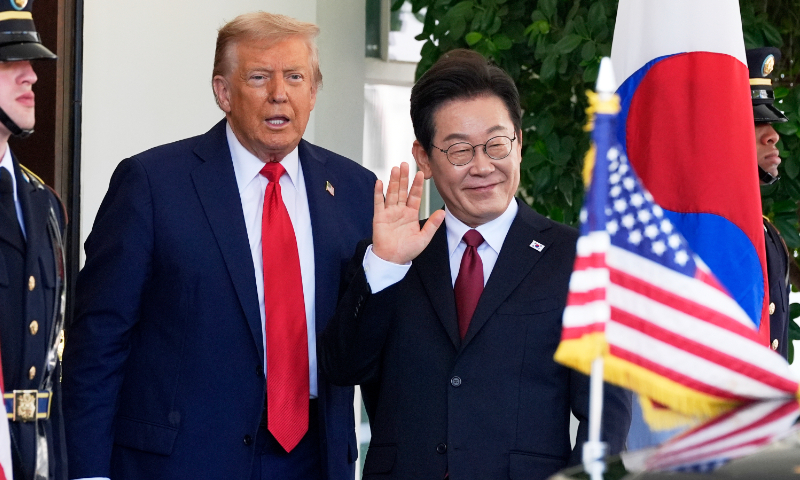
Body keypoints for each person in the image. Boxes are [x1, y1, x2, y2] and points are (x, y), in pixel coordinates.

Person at [61, 11, 375, 480]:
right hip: (182, 462)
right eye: (258, 77)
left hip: (314, 461)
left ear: (313, 92)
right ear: (223, 92)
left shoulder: (354, 189)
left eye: (295, 77)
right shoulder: (152, 183)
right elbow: (98, 343)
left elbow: (367, 342)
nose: (279, 93)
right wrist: (87, 472)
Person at [318, 49, 631, 480]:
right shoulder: (389, 256)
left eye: (496, 144)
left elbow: (605, 414)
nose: (483, 166)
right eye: (460, 150)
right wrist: (385, 265)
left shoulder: (576, 260)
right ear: (424, 159)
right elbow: (342, 367)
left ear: (519, 144)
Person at [0, 1, 67, 479]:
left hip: (38, 456)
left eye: (30, 62)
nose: (31, 76)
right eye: (9, 61)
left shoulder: (44, 202)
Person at [746, 47, 791, 359]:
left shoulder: (768, 232)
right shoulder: (712, 230)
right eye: (753, 123)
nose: (772, 135)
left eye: (771, 123)